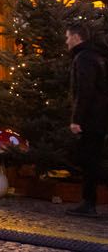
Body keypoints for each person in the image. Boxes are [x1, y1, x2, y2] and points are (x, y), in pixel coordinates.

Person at [67, 23, 108, 217]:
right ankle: (88, 200)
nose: (66, 41)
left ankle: (89, 202)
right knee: (92, 158)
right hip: (99, 116)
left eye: (68, 37)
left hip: (92, 117)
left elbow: (84, 91)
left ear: (76, 37)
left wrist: (77, 119)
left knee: (89, 159)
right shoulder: (96, 55)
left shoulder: (84, 58)